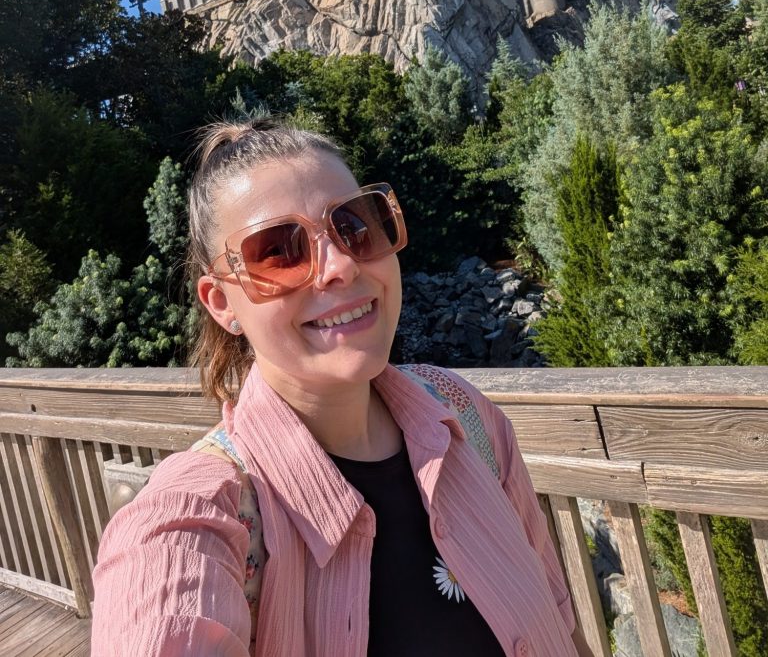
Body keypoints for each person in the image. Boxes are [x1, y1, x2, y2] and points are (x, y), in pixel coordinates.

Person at [92, 118, 593, 656]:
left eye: (357, 225)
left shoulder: (465, 413)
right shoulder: (193, 521)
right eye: (278, 252)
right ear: (222, 304)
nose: (340, 266)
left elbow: (561, 624)